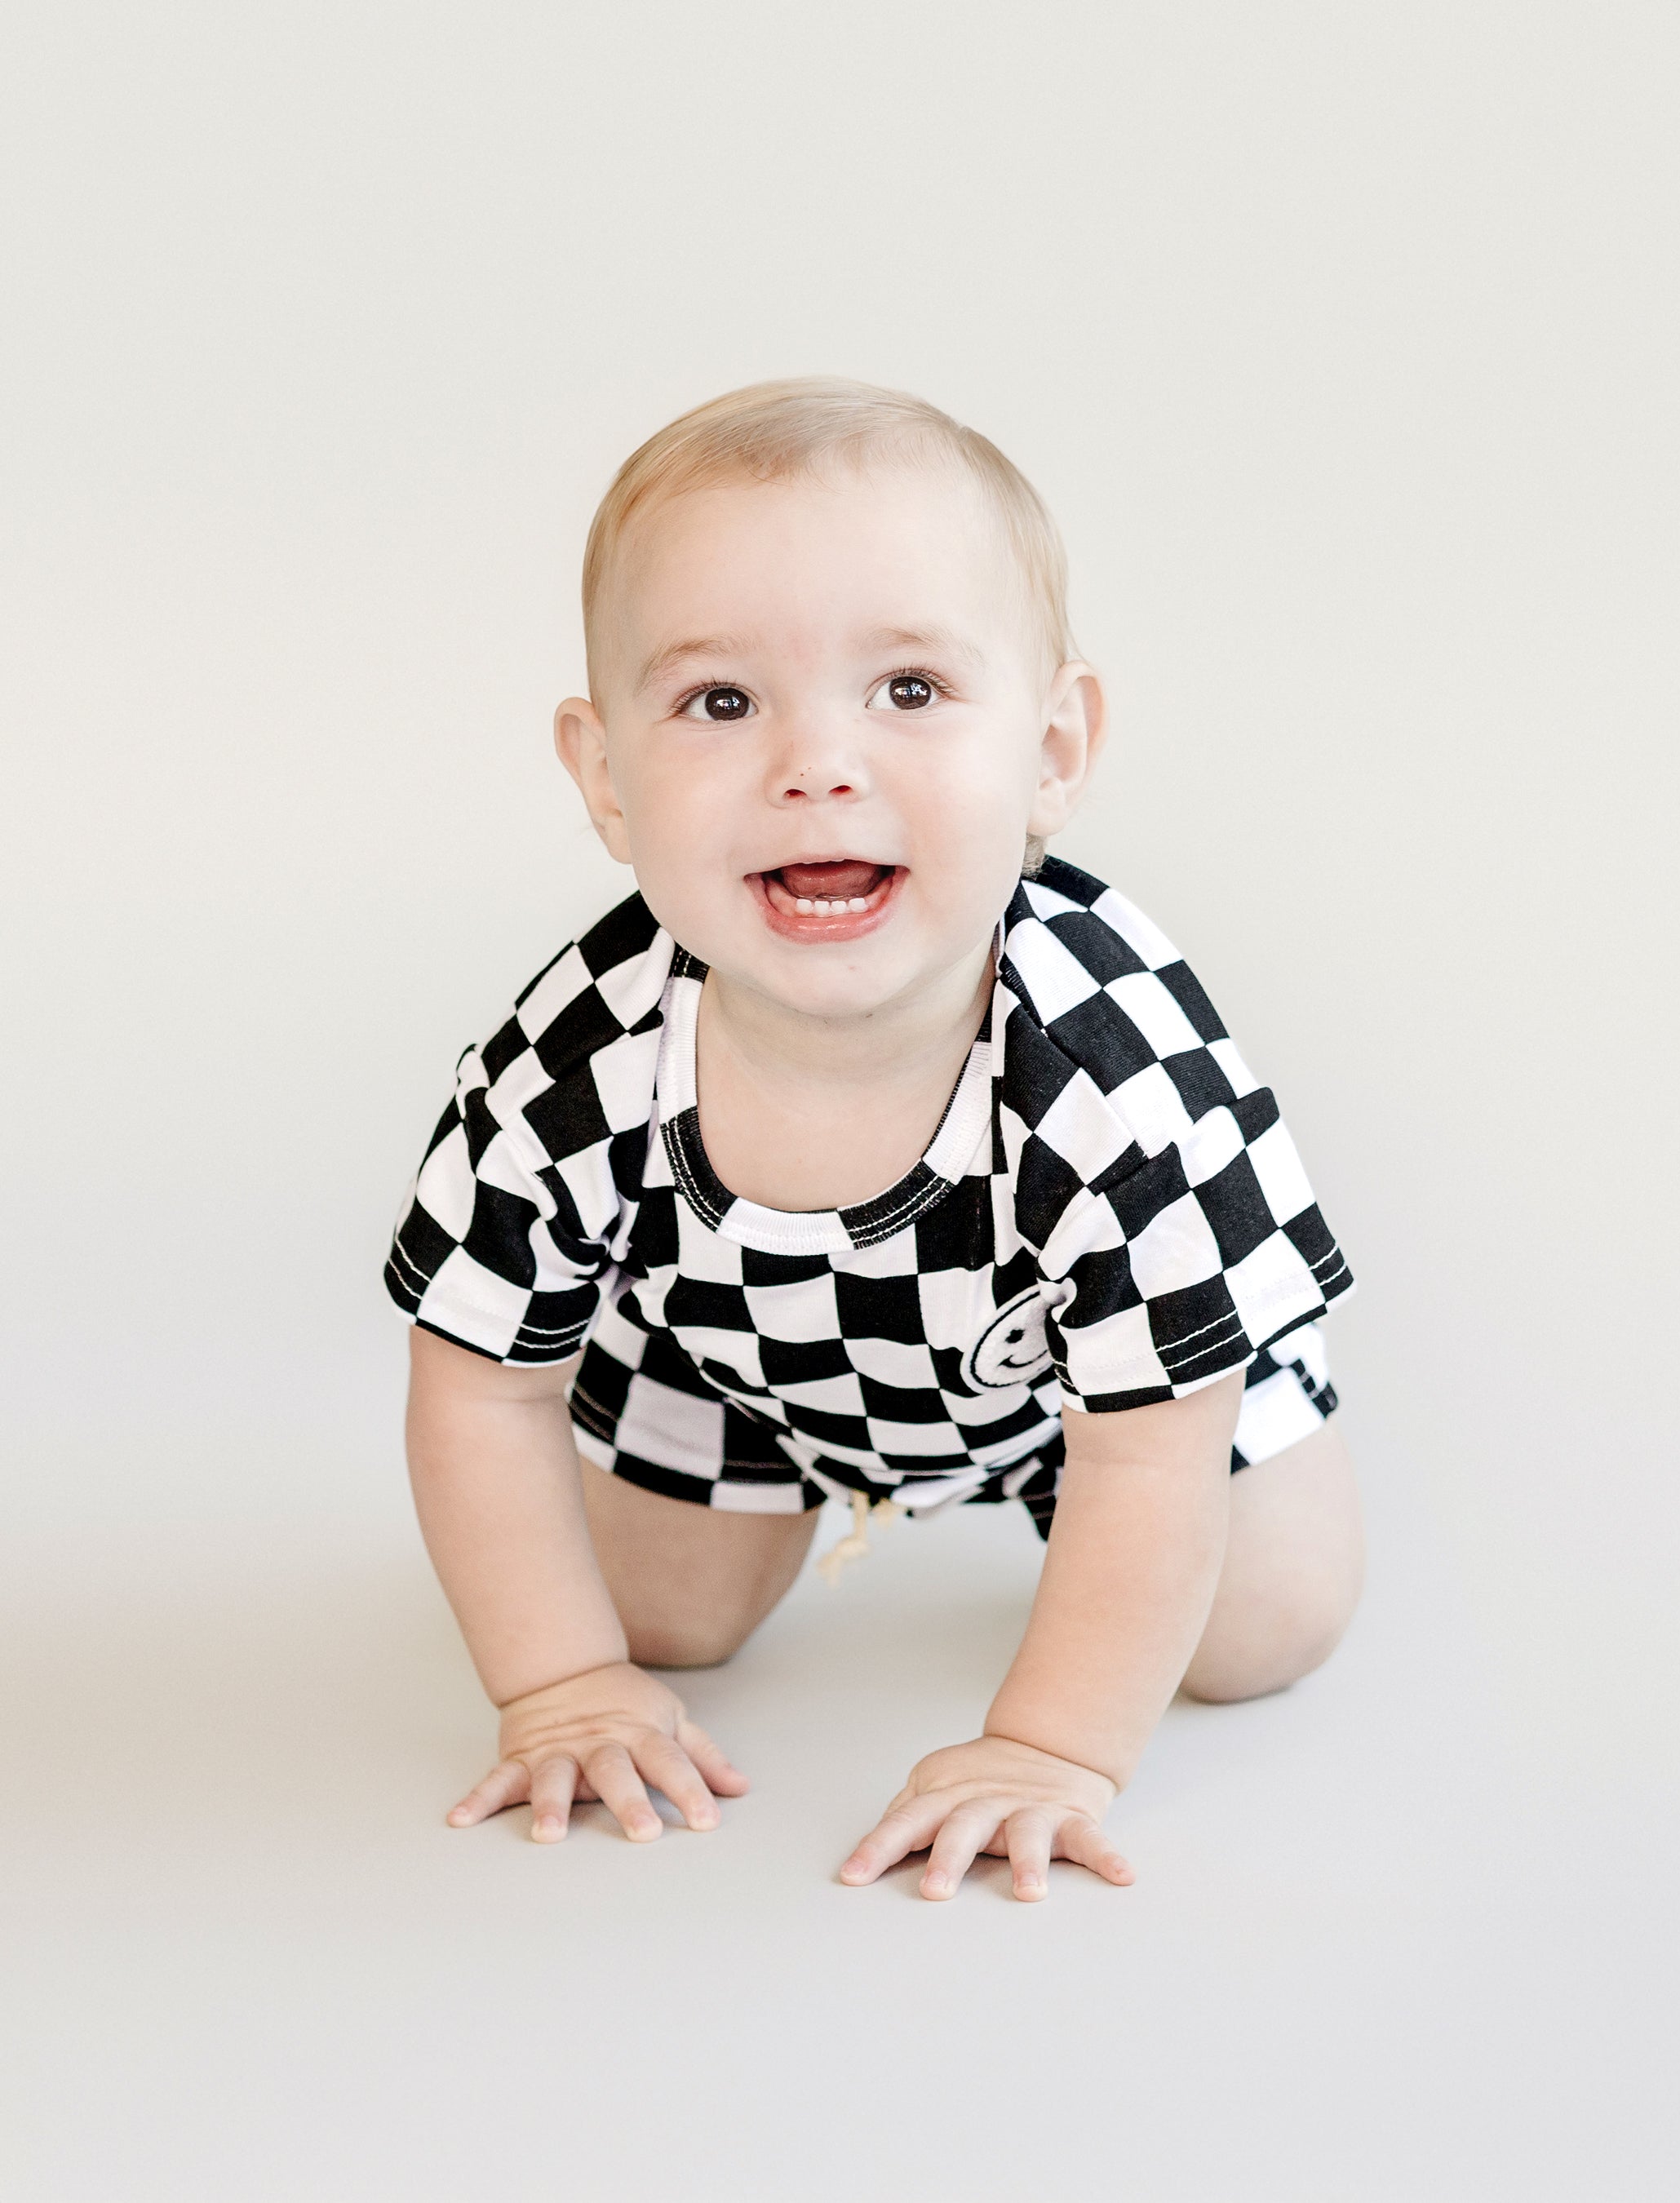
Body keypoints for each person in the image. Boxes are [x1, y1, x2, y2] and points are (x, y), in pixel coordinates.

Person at [386, 378, 1363, 1903]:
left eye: (908, 689)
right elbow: (480, 1381)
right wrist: (561, 1683)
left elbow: (1147, 1446)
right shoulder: (578, 1060)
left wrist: (1049, 1749)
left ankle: (1201, 1482)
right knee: (660, 1626)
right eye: (722, 702)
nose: (817, 764)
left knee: (1264, 1632)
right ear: (605, 778)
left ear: (1053, 749)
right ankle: (784, 1490)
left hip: (1103, 1390)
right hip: (732, 1359)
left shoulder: (1113, 1077)